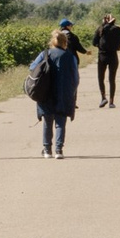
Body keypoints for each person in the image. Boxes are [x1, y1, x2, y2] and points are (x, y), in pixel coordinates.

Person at [32, 28, 80, 157]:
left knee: (47, 122)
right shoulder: (70, 56)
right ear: (65, 42)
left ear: (52, 41)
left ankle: (47, 150)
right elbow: (75, 77)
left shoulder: (45, 54)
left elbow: (32, 68)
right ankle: (59, 150)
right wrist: (72, 91)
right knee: (60, 122)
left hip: (45, 92)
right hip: (64, 93)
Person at [92, 11, 120, 107]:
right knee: (112, 79)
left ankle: (103, 97)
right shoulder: (117, 29)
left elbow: (94, 42)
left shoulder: (100, 29)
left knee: (100, 78)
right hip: (113, 55)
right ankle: (111, 101)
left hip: (102, 55)